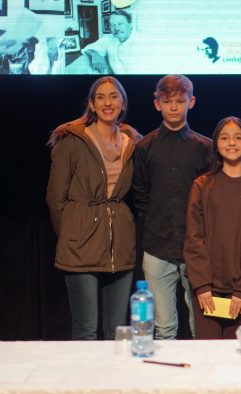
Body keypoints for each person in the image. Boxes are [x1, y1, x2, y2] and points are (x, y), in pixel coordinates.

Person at [46, 76, 141, 340]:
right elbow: (55, 198)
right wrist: (70, 233)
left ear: (122, 104)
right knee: (86, 329)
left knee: (118, 331)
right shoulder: (72, 140)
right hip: (80, 244)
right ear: (91, 104)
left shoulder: (132, 142)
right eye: (100, 97)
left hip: (120, 245)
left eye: (113, 97)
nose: (107, 102)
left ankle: (113, 382)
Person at [133, 74, 212, 340]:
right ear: (157, 104)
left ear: (192, 102)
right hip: (158, 247)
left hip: (196, 249)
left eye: (180, 100)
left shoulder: (204, 148)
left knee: (199, 324)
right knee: (164, 328)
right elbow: (141, 194)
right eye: (167, 101)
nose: (174, 107)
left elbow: (210, 200)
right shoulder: (144, 147)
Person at [184, 117, 241, 339]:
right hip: (207, 292)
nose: (231, 143)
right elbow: (194, 238)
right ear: (216, 144)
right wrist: (202, 286)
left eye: (238, 137)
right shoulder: (202, 185)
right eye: (225, 138)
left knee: (237, 359)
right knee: (209, 357)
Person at [77, 10, 140, 74]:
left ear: (130, 25)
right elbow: (88, 48)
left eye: (120, 24)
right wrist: (94, 54)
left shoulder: (143, 43)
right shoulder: (109, 39)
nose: (116, 28)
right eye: (113, 25)